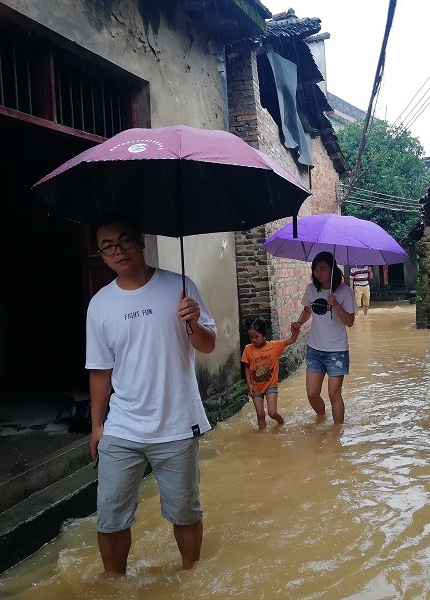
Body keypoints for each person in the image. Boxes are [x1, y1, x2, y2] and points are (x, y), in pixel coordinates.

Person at [85, 212, 216, 575]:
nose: (118, 250)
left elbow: (207, 345)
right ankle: (114, 583)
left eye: (124, 240)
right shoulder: (100, 304)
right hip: (122, 426)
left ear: (141, 240)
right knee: (110, 516)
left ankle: (191, 576)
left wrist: (192, 321)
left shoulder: (180, 286)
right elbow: (100, 370)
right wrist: (97, 426)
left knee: (185, 511)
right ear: (101, 254)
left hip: (176, 423)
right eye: (107, 246)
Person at [292, 251, 356, 424]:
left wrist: (335, 304)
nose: (318, 273)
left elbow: (349, 321)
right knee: (312, 394)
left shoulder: (344, 292)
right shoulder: (311, 289)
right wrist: (299, 323)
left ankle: (337, 434)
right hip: (315, 349)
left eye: (322, 269)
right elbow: (307, 311)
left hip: (337, 351)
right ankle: (321, 417)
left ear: (332, 270)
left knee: (334, 394)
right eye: (315, 269)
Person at [241, 318, 301, 429]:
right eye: (251, 338)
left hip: (270, 386)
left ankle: (282, 424)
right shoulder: (248, 349)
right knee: (260, 415)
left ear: (264, 335)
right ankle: (263, 438)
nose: (253, 340)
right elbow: (247, 367)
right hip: (256, 387)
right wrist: (249, 385)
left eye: (256, 337)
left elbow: (291, 340)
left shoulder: (274, 346)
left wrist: (295, 331)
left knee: (272, 413)